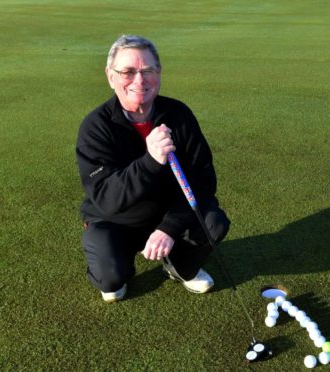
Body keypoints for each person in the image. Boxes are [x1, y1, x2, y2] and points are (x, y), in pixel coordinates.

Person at [76, 35, 230, 302]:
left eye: (148, 71)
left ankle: (178, 266)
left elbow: (203, 181)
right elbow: (106, 197)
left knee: (213, 222)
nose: (139, 80)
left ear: (158, 74)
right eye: (127, 72)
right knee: (111, 284)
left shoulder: (179, 114)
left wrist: (169, 227)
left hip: (166, 215)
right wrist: (150, 160)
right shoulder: (95, 128)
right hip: (116, 220)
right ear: (110, 77)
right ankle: (117, 268)